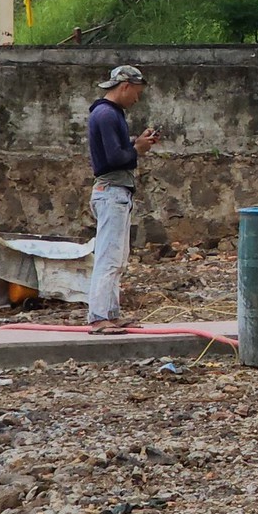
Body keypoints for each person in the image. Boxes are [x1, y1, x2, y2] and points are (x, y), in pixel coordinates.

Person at [86, 65, 160, 333]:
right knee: (109, 257)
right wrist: (137, 148)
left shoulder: (108, 114)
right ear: (125, 86)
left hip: (115, 193)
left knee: (117, 257)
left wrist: (135, 144)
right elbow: (115, 158)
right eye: (136, 93)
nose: (137, 99)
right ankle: (98, 317)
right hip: (112, 192)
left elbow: (116, 151)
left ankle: (110, 313)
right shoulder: (106, 115)